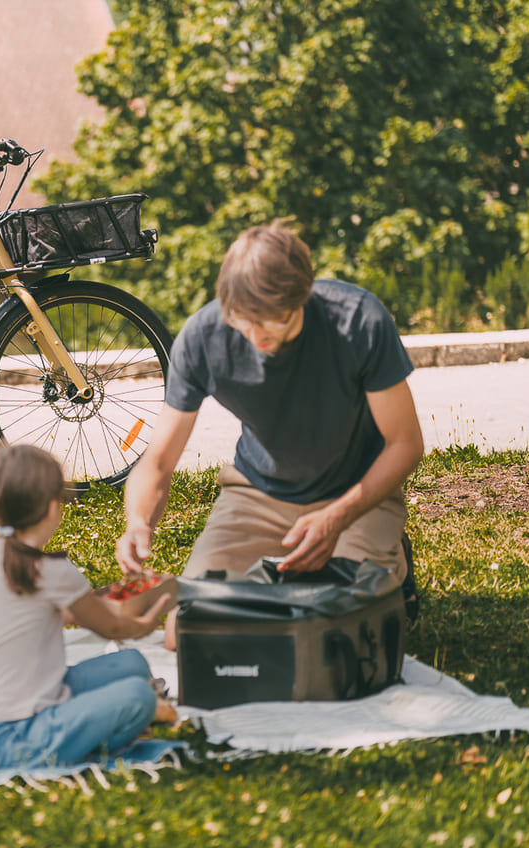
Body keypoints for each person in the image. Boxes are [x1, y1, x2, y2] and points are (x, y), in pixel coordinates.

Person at [115, 219, 424, 646]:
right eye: (242, 321)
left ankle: (390, 562)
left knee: (334, 639)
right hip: (256, 495)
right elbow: (159, 460)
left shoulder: (358, 321)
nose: (256, 335)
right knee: (187, 634)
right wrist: (137, 523)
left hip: (355, 496)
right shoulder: (202, 338)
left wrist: (337, 517)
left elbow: (406, 444)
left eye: (273, 322)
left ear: (303, 298)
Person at [0, 444, 177, 768]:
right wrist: (147, 622)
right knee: (138, 696)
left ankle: (103, 719)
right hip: (15, 741)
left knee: (130, 664)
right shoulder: (53, 572)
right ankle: (113, 724)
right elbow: (111, 627)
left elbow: (30, 614)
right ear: (51, 509)